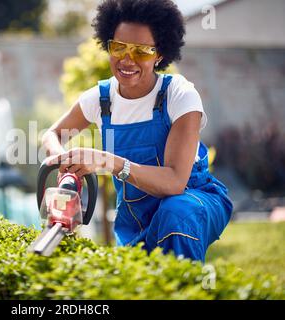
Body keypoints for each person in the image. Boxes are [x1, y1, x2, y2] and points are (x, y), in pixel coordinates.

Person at [42, 0, 233, 262]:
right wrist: (62, 159)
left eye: (142, 51)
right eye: (119, 47)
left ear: (160, 54)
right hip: (135, 215)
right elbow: (52, 135)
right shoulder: (101, 99)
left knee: (175, 212)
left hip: (193, 200)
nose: (127, 59)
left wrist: (104, 160)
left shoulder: (178, 95)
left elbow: (175, 182)